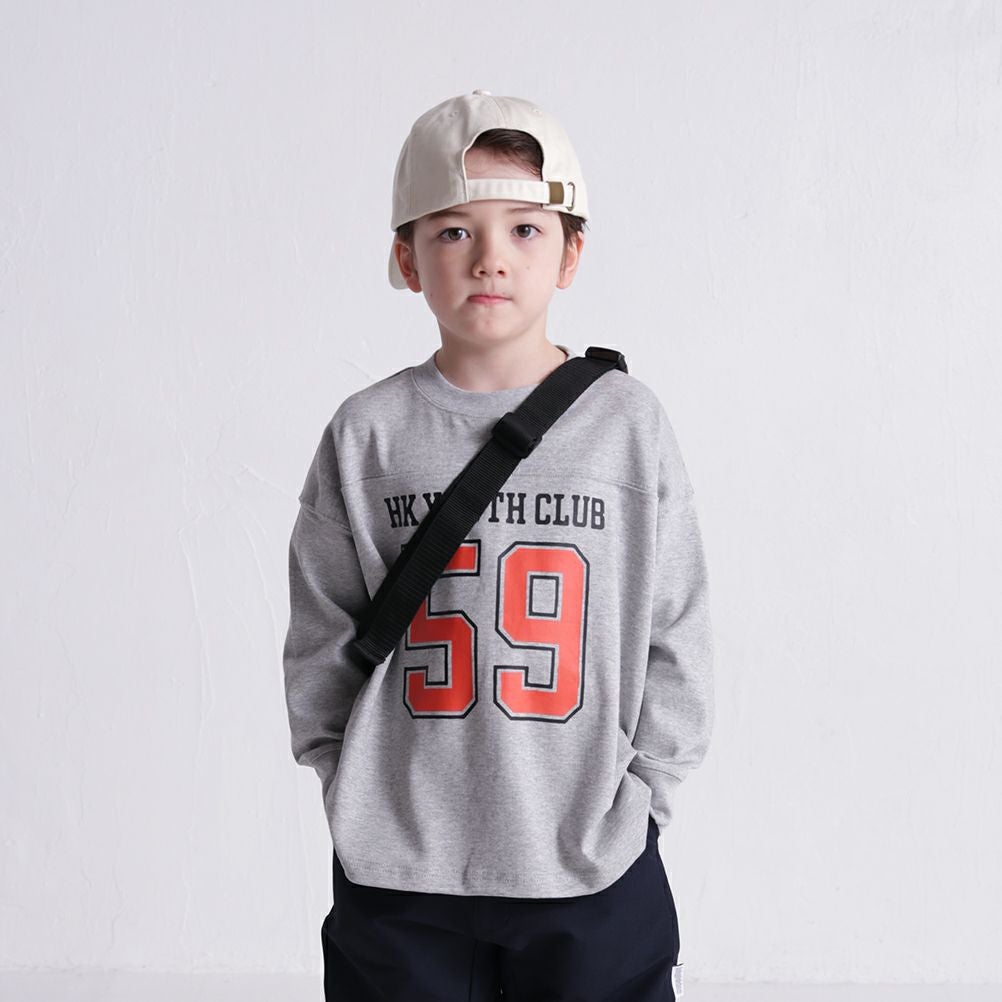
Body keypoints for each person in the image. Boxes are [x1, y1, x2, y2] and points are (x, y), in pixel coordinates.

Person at [282, 90, 714, 1001]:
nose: (490, 258)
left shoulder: (627, 427)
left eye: (525, 229)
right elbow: (322, 632)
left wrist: (644, 798)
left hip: (590, 864)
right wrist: (348, 791)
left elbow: (675, 629)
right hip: (399, 873)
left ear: (570, 254)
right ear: (407, 257)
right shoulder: (367, 434)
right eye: (453, 231)